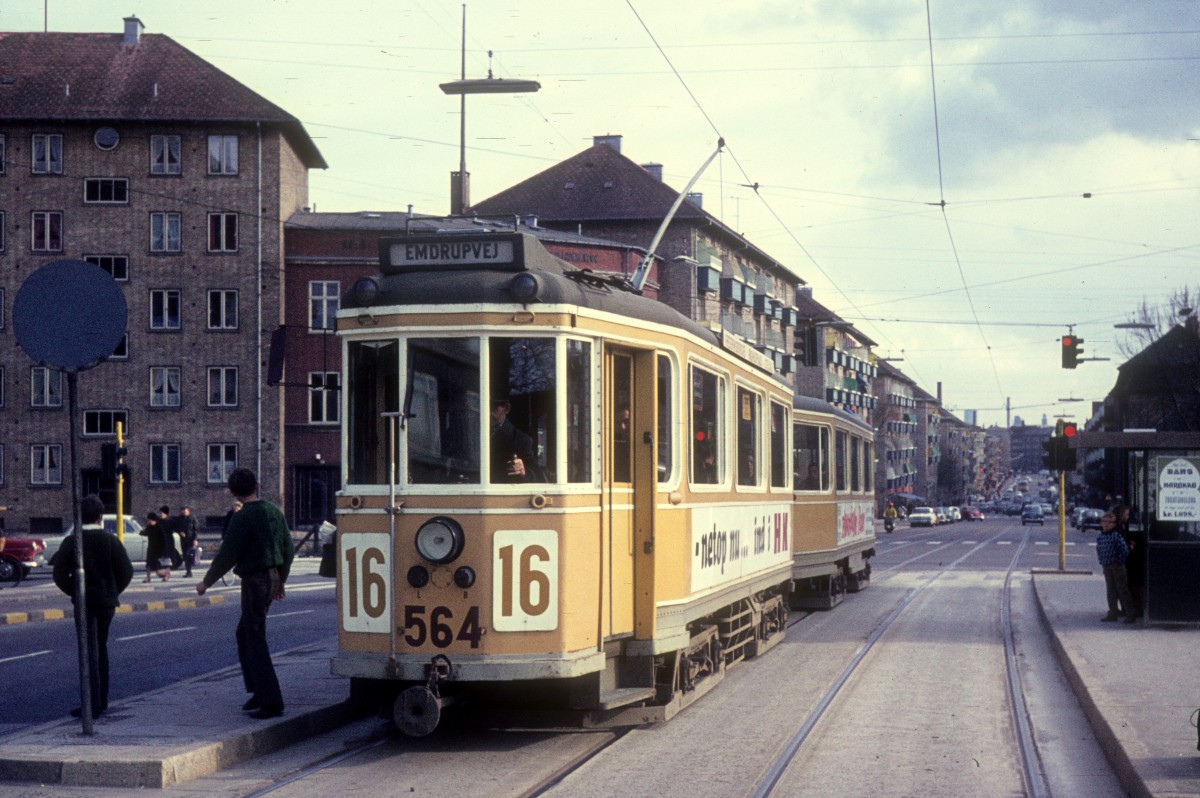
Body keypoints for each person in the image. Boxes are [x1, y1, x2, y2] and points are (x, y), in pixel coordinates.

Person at [197, 468, 295, 719]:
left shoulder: (243, 517)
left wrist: (206, 582)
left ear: (232, 491)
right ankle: (258, 692)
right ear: (257, 484)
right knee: (245, 632)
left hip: (255, 579)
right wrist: (280, 581)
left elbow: (227, 554)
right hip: (271, 575)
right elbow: (289, 548)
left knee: (253, 636)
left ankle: (271, 701)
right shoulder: (273, 510)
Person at [52, 495, 134, 718]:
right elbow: (126, 571)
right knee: (101, 648)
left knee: (87, 649)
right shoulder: (110, 540)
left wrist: (75, 591)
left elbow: (59, 574)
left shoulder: (72, 541)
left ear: (80, 516)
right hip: (106, 603)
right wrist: (112, 590)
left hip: (84, 602)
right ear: (100, 517)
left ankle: (91, 703)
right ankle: (102, 700)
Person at [1096, 512, 1137, 624]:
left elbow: (1124, 550)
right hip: (1106, 565)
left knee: (1122, 589)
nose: (1106, 524)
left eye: (1109, 522)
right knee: (1111, 590)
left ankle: (1130, 614)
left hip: (1117, 566)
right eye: (1104, 522)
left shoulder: (1116, 536)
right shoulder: (1100, 536)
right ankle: (1112, 613)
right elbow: (1099, 550)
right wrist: (1102, 561)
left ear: (1114, 524)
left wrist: (1119, 561)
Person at [490, 399, 538, 482]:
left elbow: (536, 475)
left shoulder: (522, 440)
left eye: (493, 408)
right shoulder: (468, 431)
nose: (488, 413)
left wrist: (523, 470)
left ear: (507, 409)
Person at [141, 512, 163, 582]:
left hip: (158, 548)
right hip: (151, 548)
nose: (149, 521)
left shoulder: (159, 527)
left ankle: (159, 573)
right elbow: (144, 533)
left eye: (150, 520)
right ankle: (148, 577)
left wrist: (163, 549)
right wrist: (143, 530)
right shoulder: (149, 527)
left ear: (154, 520)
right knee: (148, 563)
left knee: (156, 562)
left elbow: (163, 538)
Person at [177, 505, 199, 578]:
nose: (183, 512)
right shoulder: (180, 518)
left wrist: (195, 539)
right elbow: (177, 527)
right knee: (185, 556)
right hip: (183, 540)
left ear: (188, 510)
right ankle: (188, 572)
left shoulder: (192, 518)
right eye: (182, 511)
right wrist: (180, 532)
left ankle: (189, 570)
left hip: (191, 539)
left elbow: (196, 529)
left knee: (188, 555)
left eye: (185, 511)